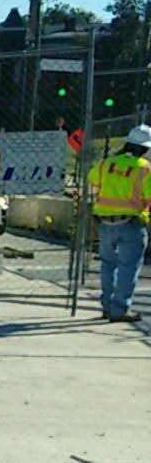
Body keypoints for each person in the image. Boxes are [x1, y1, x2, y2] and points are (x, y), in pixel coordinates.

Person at [87, 125, 151, 323]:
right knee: (128, 266)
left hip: (104, 222)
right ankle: (120, 309)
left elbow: (92, 182)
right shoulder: (144, 168)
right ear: (144, 148)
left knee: (108, 264)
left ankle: (107, 306)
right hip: (131, 223)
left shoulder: (106, 163)